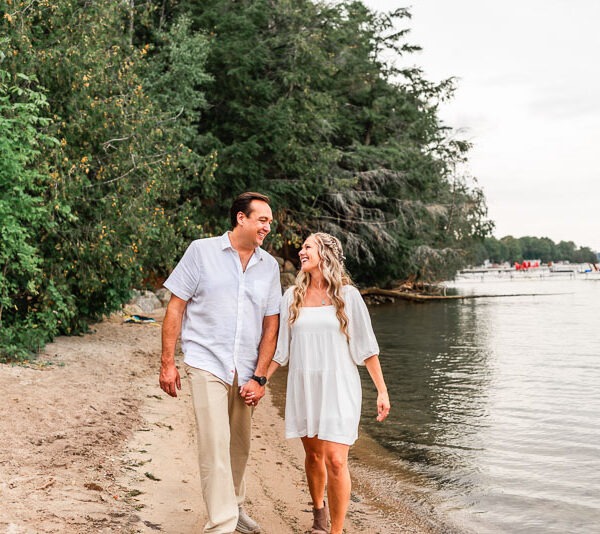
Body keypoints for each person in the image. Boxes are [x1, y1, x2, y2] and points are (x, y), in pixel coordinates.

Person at [159, 192, 281, 534]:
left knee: (238, 445)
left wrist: (260, 377)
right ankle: (221, 525)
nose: (268, 227)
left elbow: (271, 325)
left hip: (246, 368)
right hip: (205, 361)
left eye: (270, 221)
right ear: (241, 218)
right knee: (214, 443)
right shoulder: (201, 251)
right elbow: (175, 307)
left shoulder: (269, 267)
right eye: (262, 219)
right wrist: (167, 362)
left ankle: (235, 507)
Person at [267, 232, 390, 534]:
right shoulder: (290, 297)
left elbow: (366, 346)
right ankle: (318, 511)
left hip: (340, 386)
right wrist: (260, 381)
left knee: (336, 460)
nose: (301, 251)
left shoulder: (348, 296)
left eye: (308, 246)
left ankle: (335, 530)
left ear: (325, 253)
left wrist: (382, 391)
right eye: (302, 246)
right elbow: (281, 350)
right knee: (313, 455)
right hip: (305, 387)